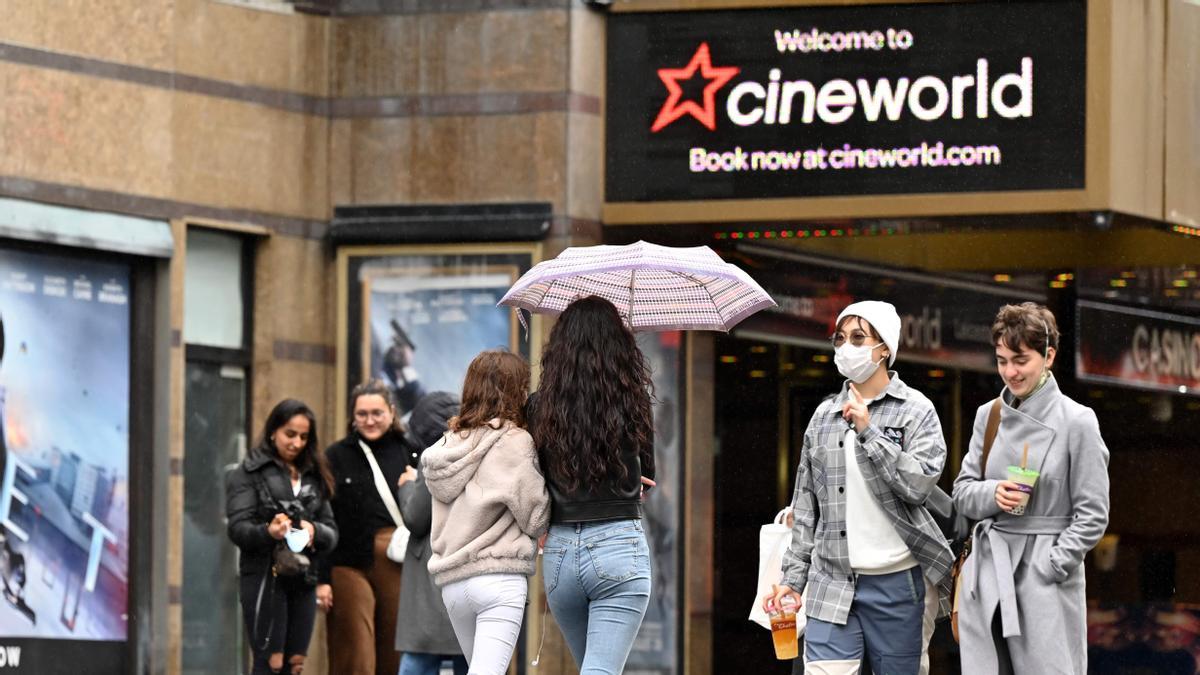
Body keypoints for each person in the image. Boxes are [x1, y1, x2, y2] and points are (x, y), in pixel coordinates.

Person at [765, 300, 954, 675]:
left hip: (898, 583)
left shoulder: (916, 410)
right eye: (840, 339)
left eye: (857, 337)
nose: (845, 347)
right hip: (831, 578)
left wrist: (870, 432)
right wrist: (792, 581)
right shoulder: (823, 417)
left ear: (884, 348)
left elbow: (918, 485)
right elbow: (805, 507)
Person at [952, 302, 1110, 674]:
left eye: (1020, 359)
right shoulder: (988, 416)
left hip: (1045, 576)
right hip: (989, 571)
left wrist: (1053, 565)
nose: (1010, 371)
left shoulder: (1078, 421)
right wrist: (993, 494)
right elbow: (962, 492)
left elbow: (1093, 514)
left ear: (1048, 355)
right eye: (1002, 360)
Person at [528, 295, 657, 674]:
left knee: (595, 666)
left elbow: (531, 475)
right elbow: (649, 476)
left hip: (560, 551)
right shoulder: (633, 402)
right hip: (618, 544)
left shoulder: (539, 407)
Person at [422, 350, 550, 674]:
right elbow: (535, 519)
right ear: (516, 391)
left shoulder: (445, 447)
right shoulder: (514, 441)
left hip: (453, 583)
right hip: (498, 576)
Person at [226, 399, 338, 675]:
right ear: (273, 431)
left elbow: (332, 532)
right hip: (265, 577)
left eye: (303, 436)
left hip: (304, 577)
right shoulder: (249, 472)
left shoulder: (313, 474)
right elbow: (238, 529)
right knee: (270, 663)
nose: (297, 443)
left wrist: (315, 531)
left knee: (295, 665)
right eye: (290, 434)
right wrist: (269, 531)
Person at [319, 379, 409, 675]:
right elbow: (323, 513)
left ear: (391, 412)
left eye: (377, 413)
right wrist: (322, 577)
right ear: (352, 416)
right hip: (346, 561)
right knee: (354, 651)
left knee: (393, 652)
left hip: (395, 559)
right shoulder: (335, 455)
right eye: (362, 414)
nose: (369, 420)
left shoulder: (409, 451)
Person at [395, 391, 469, 675]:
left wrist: (406, 485)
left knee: (420, 659)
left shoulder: (434, 457)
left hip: (431, 570)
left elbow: (416, 517)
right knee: (469, 659)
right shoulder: (470, 452)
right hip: (464, 566)